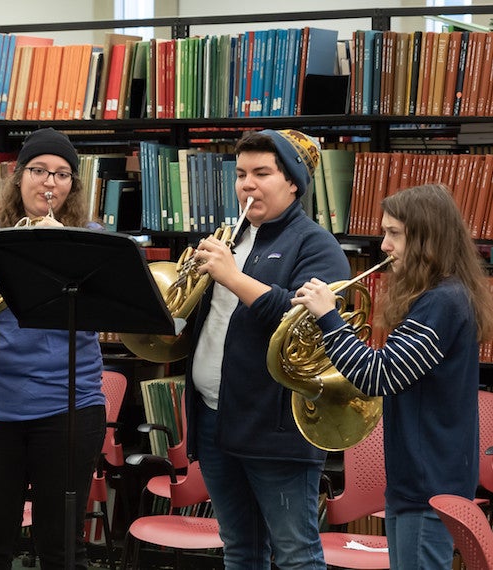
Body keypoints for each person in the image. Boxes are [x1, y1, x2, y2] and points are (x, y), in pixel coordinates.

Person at [292, 183, 493, 569]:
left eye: (395, 234)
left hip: (429, 487)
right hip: (414, 483)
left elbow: (377, 376)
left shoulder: (442, 302)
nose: (383, 245)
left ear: (427, 238)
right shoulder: (437, 296)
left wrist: (328, 318)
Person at [184, 129, 351, 569]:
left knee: (295, 554)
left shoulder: (316, 244)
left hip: (275, 426)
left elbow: (306, 328)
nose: (247, 185)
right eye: (241, 174)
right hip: (213, 417)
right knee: (239, 549)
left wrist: (232, 276)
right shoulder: (230, 238)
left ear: (293, 182)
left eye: (262, 173)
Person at [0, 127, 106, 569]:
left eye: (61, 174)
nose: (49, 182)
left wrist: (61, 254)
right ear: (18, 178)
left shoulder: (92, 239)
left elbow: (108, 313)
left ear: (72, 186)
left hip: (69, 407)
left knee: (59, 546)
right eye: (39, 170)